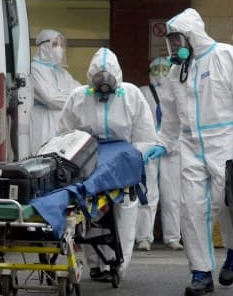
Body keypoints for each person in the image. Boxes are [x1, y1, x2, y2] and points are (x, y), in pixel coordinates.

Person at [157, 8, 233, 295]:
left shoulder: (226, 56)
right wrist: (162, 143)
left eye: (178, 40)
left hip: (226, 141)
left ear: (192, 36)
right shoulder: (176, 72)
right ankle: (201, 273)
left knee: (231, 202)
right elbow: (170, 116)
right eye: (171, 42)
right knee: (192, 209)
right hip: (190, 147)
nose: (174, 46)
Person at [59, 47, 161, 282]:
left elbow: (144, 132)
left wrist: (139, 157)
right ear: (90, 78)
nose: (104, 84)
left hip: (122, 159)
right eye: (98, 78)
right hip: (90, 159)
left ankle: (119, 263)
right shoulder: (79, 97)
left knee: (125, 210)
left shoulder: (131, 95)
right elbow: (65, 131)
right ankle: (96, 264)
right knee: (90, 209)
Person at [135, 57, 184, 252]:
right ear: (149, 72)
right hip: (149, 145)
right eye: (156, 69)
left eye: (165, 68)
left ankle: (173, 237)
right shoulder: (142, 93)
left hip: (172, 146)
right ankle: (144, 237)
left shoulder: (177, 93)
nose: (161, 72)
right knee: (148, 193)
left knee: (172, 194)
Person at [30, 29, 80, 154]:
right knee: (41, 155)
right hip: (42, 123)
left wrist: (63, 96)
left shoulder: (62, 72)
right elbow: (50, 99)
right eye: (55, 45)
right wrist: (69, 96)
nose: (59, 49)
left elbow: (80, 94)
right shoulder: (34, 69)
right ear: (44, 47)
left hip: (61, 125)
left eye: (62, 46)